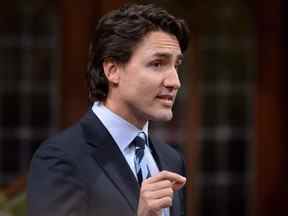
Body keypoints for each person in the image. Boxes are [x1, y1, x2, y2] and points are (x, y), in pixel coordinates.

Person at [27, 3, 190, 216]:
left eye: (176, 66)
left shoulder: (172, 159)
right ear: (113, 71)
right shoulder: (60, 159)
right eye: (157, 64)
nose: (174, 81)